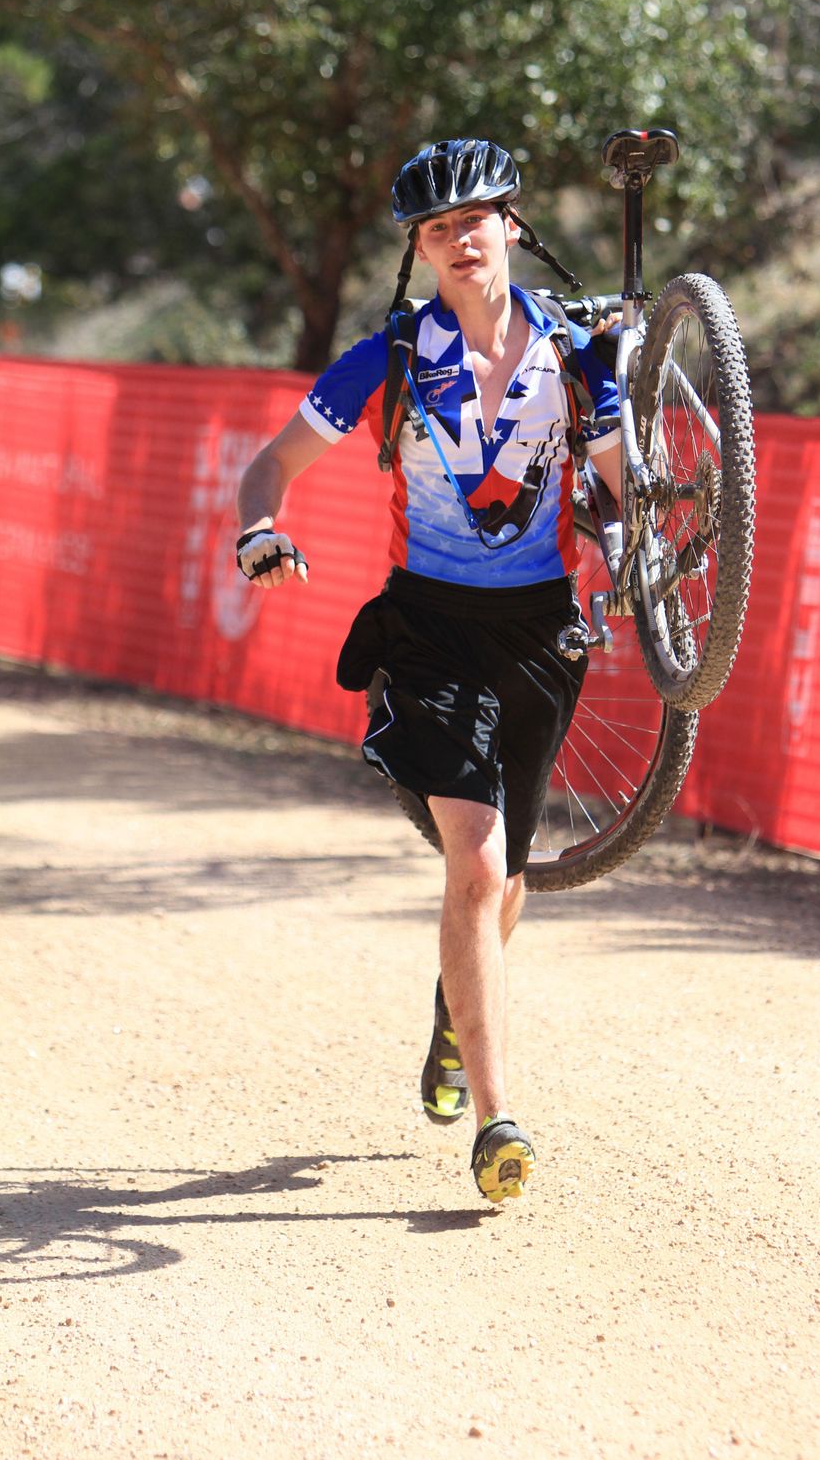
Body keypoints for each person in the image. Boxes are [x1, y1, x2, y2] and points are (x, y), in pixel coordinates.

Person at [236, 138, 622, 1204]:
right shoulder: (391, 358)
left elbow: (623, 487)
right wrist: (259, 530)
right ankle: (498, 1121)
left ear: (512, 225)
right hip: (427, 627)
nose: (459, 240)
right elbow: (269, 466)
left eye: (474, 219)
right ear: (419, 247)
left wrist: (653, 534)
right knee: (477, 864)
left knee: (507, 878)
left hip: (541, 631)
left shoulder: (574, 352)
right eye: (436, 228)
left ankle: (455, 1014)